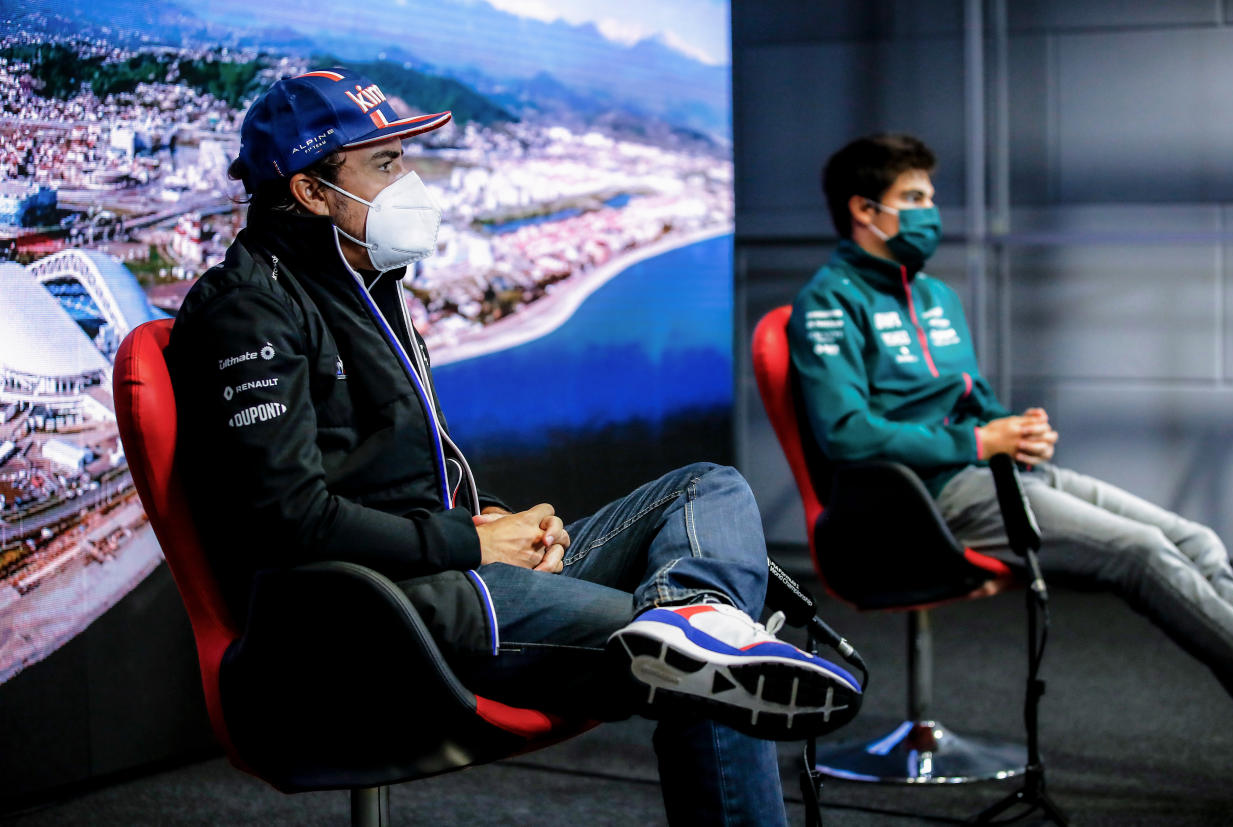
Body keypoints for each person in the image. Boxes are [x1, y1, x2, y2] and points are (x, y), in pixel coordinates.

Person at [166, 67, 860, 825]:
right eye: (387, 163)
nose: (413, 180)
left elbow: (405, 470)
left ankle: (689, 616)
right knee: (704, 668)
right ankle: (694, 630)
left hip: (448, 564)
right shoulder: (248, 308)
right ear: (309, 190)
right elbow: (287, 519)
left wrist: (500, 520)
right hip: (382, 608)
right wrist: (469, 539)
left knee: (708, 489)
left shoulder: (368, 283)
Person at [789, 132, 1233, 710]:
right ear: (864, 209)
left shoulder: (935, 297)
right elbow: (848, 436)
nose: (932, 213)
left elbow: (974, 398)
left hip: (1000, 472)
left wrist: (1016, 429)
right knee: (1143, 552)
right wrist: (978, 440)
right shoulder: (829, 302)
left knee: (1197, 540)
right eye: (916, 198)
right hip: (923, 499)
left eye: (931, 197)